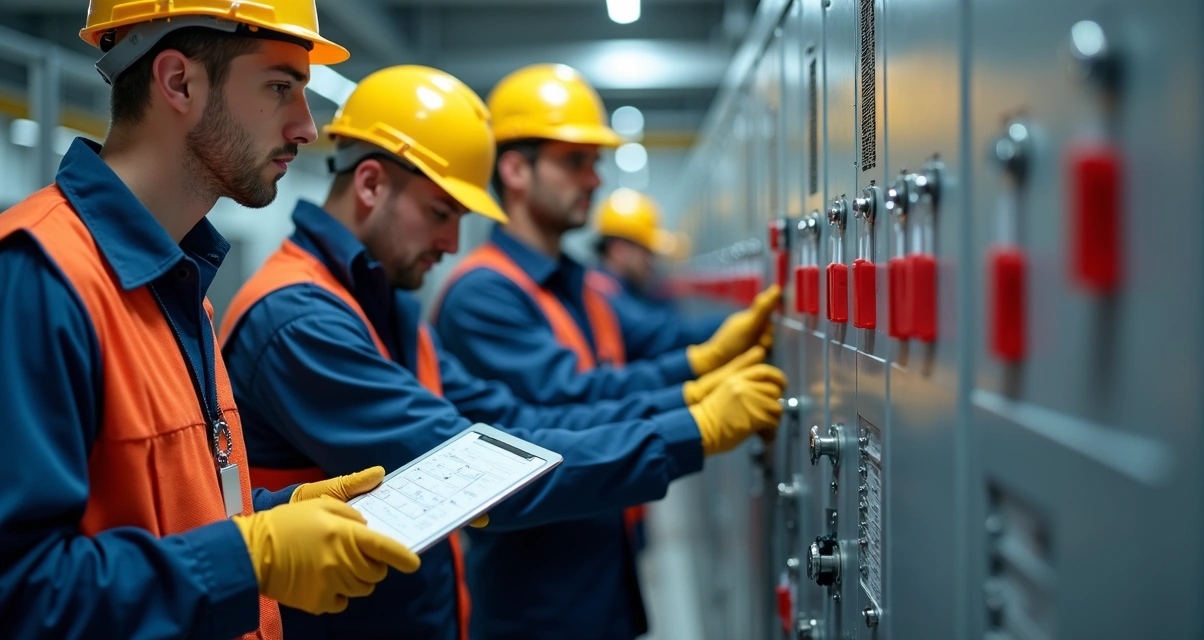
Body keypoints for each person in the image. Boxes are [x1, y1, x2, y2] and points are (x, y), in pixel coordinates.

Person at [217, 65, 788, 640]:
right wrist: (694, 427)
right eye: (441, 215)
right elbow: (468, 472)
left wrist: (691, 396)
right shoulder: (302, 321)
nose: (450, 244)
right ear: (369, 185)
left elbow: (512, 423)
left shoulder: (377, 306)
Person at [0, 3, 419, 638]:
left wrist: (271, 515)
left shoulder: (179, 281)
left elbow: (164, 519)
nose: (308, 128)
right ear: (179, 83)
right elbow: (21, 591)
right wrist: (252, 557)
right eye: (281, 87)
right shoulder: (39, 279)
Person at [432, 63, 783, 639]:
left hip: (599, 566)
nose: (595, 179)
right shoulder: (483, 293)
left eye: (594, 162)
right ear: (515, 169)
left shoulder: (577, 283)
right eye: (576, 161)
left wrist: (754, 328)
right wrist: (695, 407)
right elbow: (567, 402)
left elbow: (657, 338)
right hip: (538, 598)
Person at [587, 187, 730, 353]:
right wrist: (736, 322)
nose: (651, 262)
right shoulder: (603, 293)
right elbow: (657, 334)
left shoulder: (617, 287)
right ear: (619, 250)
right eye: (646, 252)